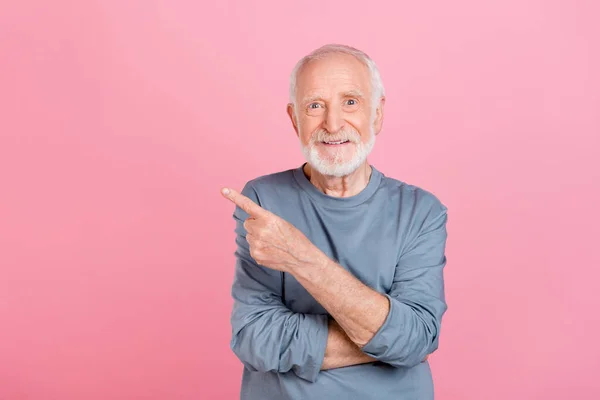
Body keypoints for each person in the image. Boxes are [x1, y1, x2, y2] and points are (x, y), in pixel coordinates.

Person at [221, 43, 449, 400]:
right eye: (315, 106)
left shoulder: (421, 211)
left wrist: (300, 256)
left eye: (351, 102)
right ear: (295, 118)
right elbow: (254, 336)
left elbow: (416, 338)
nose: (333, 123)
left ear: (377, 113)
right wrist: (381, 337)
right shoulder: (263, 200)